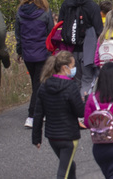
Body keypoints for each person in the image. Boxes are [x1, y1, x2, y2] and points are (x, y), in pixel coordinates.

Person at [32, 51, 84, 179]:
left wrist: (36, 138)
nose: (74, 69)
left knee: (69, 166)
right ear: (64, 67)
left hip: (52, 136)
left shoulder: (44, 86)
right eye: (72, 66)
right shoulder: (71, 86)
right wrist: (85, 101)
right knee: (63, 172)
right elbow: (80, 112)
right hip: (68, 136)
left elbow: (38, 113)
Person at [57, 0, 104, 96]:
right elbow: (99, 30)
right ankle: (83, 107)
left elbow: (60, 26)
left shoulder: (66, 5)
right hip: (87, 49)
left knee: (75, 79)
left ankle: (75, 106)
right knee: (87, 79)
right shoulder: (92, 6)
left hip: (69, 48)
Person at [15, 0, 54, 129]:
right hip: (42, 52)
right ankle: (32, 115)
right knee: (39, 84)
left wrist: (19, 52)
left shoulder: (20, 12)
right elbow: (50, 31)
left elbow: (18, 35)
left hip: (28, 53)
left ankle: (40, 111)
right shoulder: (45, 12)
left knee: (35, 82)